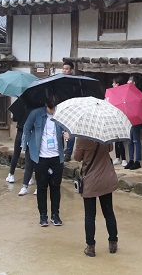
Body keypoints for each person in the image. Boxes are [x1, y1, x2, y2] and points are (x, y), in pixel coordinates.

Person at [22, 94, 69, 226]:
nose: (53, 111)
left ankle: (55, 215)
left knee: (56, 187)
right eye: (51, 108)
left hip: (57, 157)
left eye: (55, 108)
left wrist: (67, 134)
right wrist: (28, 146)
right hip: (41, 157)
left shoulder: (61, 114)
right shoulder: (36, 114)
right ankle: (43, 215)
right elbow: (26, 128)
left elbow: (67, 129)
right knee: (42, 188)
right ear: (46, 105)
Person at [73, 138, 119, 257]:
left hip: (90, 181)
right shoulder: (106, 136)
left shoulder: (82, 139)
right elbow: (110, 149)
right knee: (108, 212)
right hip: (106, 177)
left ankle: (90, 247)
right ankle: (113, 242)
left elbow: (77, 157)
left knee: (89, 215)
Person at [124, 74, 142, 170]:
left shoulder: (138, 93)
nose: (128, 82)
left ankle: (138, 161)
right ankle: (131, 160)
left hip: (136, 119)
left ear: (134, 82)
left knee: (136, 140)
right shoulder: (127, 93)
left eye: (130, 80)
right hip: (128, 119)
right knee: (130, 141)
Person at [110, 76, 127, 166]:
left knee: (120, 140)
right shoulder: (112, 94)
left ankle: (123, 159)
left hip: (121, 118)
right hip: (114, 118)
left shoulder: (122, 94)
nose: (112, 84)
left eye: (114, 83)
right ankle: (117, 158)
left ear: (118, 84)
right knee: (116, 140)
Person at [62, 61, 76, 162]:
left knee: (70, 134)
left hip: (71, 110)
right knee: (59, 132)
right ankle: (61, 150)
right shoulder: (60, 80)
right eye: (63, 68)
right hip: (61, 109)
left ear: (71, 70)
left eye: (67, 69)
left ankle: (68, 152)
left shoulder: (74, 81)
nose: (64, 70)